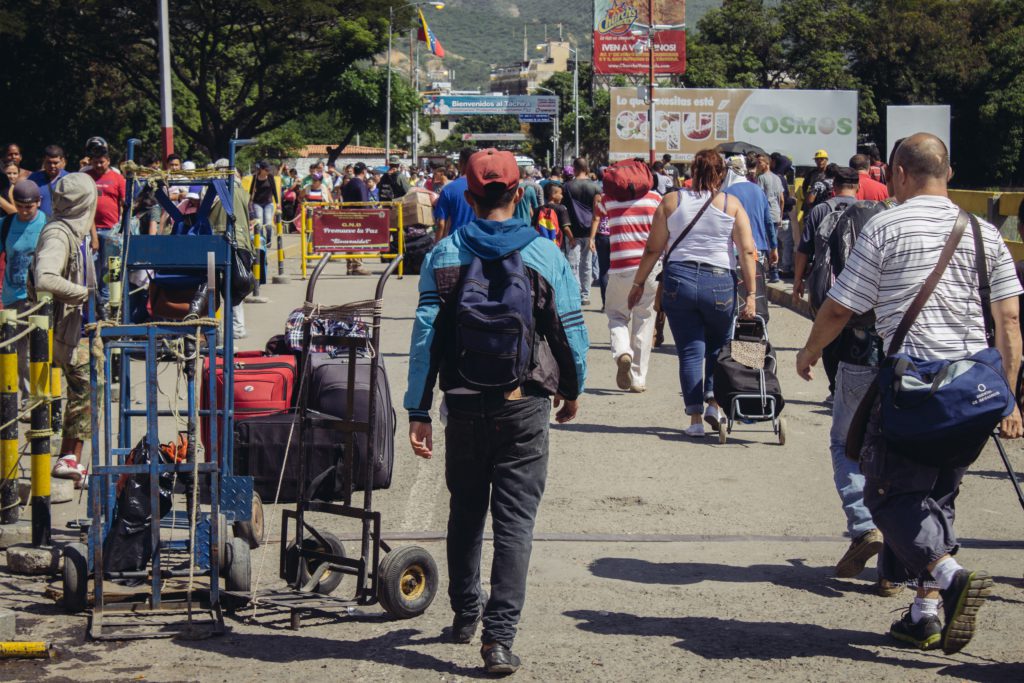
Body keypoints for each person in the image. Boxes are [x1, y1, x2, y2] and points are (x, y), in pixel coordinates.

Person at [795, 133, 1023, 654]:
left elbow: (840, 306)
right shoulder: (988, 234)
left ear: (897, 172)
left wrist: (809, 351)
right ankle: (923, 615)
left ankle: (950, 575)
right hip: (974, 390)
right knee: (937, 495)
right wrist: (1009, 399)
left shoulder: (886, 226)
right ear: (948, 171)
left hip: (914, 385)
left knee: (886, 492)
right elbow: (1008, 321)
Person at [404, 148, 588, 675]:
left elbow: (425, 339)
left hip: (462, 406)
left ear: (468, 191)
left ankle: (465, 613)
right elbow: (570, 331)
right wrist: (572, 389)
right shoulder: (544, 253)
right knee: (515, 524)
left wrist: (418, 408)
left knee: (465, 510)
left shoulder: (444, 254)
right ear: (517, 191)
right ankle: (498, 640)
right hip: (523, 405)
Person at [628, 149, 758, 437]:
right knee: (719, 346)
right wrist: (750, 294)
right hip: (720, 283)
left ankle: (695, 420)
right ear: (722, 174)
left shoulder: (672, 201)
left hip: (679, 281)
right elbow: (747, 250)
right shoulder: (731, 204)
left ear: (692, 172)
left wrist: (638, 284)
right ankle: (714, 403)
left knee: (689, 351)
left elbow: (652, 248)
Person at [37, 174, 99, 489]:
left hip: (75, 327)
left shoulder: (74, 232)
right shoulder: (58, 235)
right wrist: (82, 292)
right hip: (59, 331)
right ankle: (67, 458)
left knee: (90, 386)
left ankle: (70, 457)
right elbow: (45, 278)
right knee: (86, 388)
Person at [793, 166, 862, 399]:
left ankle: (834, 388)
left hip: (823, 283)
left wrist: (797, 282)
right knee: (854, 333)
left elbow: (804, 250)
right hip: (858, 283)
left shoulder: (820, 210)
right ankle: (848, 387)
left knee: (828, 335)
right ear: (858, 187)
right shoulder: (867, 210)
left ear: (834, 186)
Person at [601, 166, 662, 392]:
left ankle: (622, 352)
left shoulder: (608, 200)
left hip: (620, 266)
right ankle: (637, 378)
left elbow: (599, 214)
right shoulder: (656, 199)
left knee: (616, 315)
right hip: (650, 267)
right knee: (644, 319)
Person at [2, 181, 47, 402]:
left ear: (38, 202)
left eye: (29, 206)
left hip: (39, 296)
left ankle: (40, 395)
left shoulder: (47, 223)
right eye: (20, 206)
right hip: (12, 295)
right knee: (18, 351)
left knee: (38, 348)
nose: (24, 211)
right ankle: (26, 394)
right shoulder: (7, 224)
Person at [725, 156, 777, 317]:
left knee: (735, 291)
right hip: (759, 250)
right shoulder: (758, 191)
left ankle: (735, 327)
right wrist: (773, 247)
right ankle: (756, 325)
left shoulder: (725, 193)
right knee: (756, 290)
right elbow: (768, 222)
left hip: (734, 250)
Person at [83, 137, 125, 309]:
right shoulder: (86, 177)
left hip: (112, 231)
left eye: (102, 162)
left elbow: (124, 203)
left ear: (108, 161)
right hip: (91, 230)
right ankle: (96, 303)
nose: (99, 165)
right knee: (92, 268)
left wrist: (120, 229)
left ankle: (111, 303)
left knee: (112, 268)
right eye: (95, 162)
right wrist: (93, 236)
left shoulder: (117, 178)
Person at [562, 157, 601, 306]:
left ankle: (576, 292)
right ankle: (585, 295)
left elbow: (564, 210)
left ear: (575, 168)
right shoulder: (596, 187)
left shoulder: (567, 187)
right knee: (587, 264)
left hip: (573, 230)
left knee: (573, 263)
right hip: (590, 230)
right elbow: (598, 211)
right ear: (587, 168)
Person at [433, 148, 476, 241]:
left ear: (461, 163)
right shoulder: (484, 187)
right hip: (479, 244)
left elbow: (441, 223)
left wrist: (436, 247)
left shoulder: (448, 189)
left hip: (456, 244)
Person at [755, 154, 786, 282]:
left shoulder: (761, 178)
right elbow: (782, 199)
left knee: (767, 243)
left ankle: (772, 271)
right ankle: (773, 270)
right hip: (776, 213)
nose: (757, 165)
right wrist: (780, 215)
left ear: (766, 163)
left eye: (759, 163)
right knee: (773, 243)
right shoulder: (778, 178)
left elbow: (759, 197)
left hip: (766, 214)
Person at [338, 162, 372, 276]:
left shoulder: (349, 183)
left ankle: (350, 266)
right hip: (358, 216)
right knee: (357, 240)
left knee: (349, 240)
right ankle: (358, 266)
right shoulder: (360, 184)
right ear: (364, 171)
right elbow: (364, 202)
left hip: (347, 215)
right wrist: (368, 217)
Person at [28, 145, 68, 217]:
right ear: (43, 161)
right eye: (49, 162)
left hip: (62, 224)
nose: (52, 166)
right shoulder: (34, 179)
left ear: (62, 161)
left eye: (56, 163)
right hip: (39, 224)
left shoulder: (69, 179)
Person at [248, 160, 279, 247]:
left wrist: (277, 202)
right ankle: (261, 240)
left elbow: (274, 190)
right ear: (261, 169)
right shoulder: (255, 178)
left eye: (268, 170)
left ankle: (268, 240)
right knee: (259, 224)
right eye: (266, 170)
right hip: (257, 203)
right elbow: (251, 190)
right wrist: (250, 201)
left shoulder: (270, 177)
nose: (267, 171)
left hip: (268, 203)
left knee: (268, 224)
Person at [532, 182, 572, 246]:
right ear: (553, 195)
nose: (562, 196)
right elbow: (566, 228)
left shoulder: (539, 209)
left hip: (542, 242)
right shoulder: (561, 208)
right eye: (560, 194)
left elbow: (534, 226)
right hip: (558, 243)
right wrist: (571, 239)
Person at [800, 149, 829, 217]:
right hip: (811, 204)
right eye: (817, 159)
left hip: (825, 203)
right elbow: (804, 186)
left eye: (821, 159)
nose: (819, 161)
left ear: (826, 160)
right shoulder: (812, 173)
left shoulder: (830, 172)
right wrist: (806, 196)